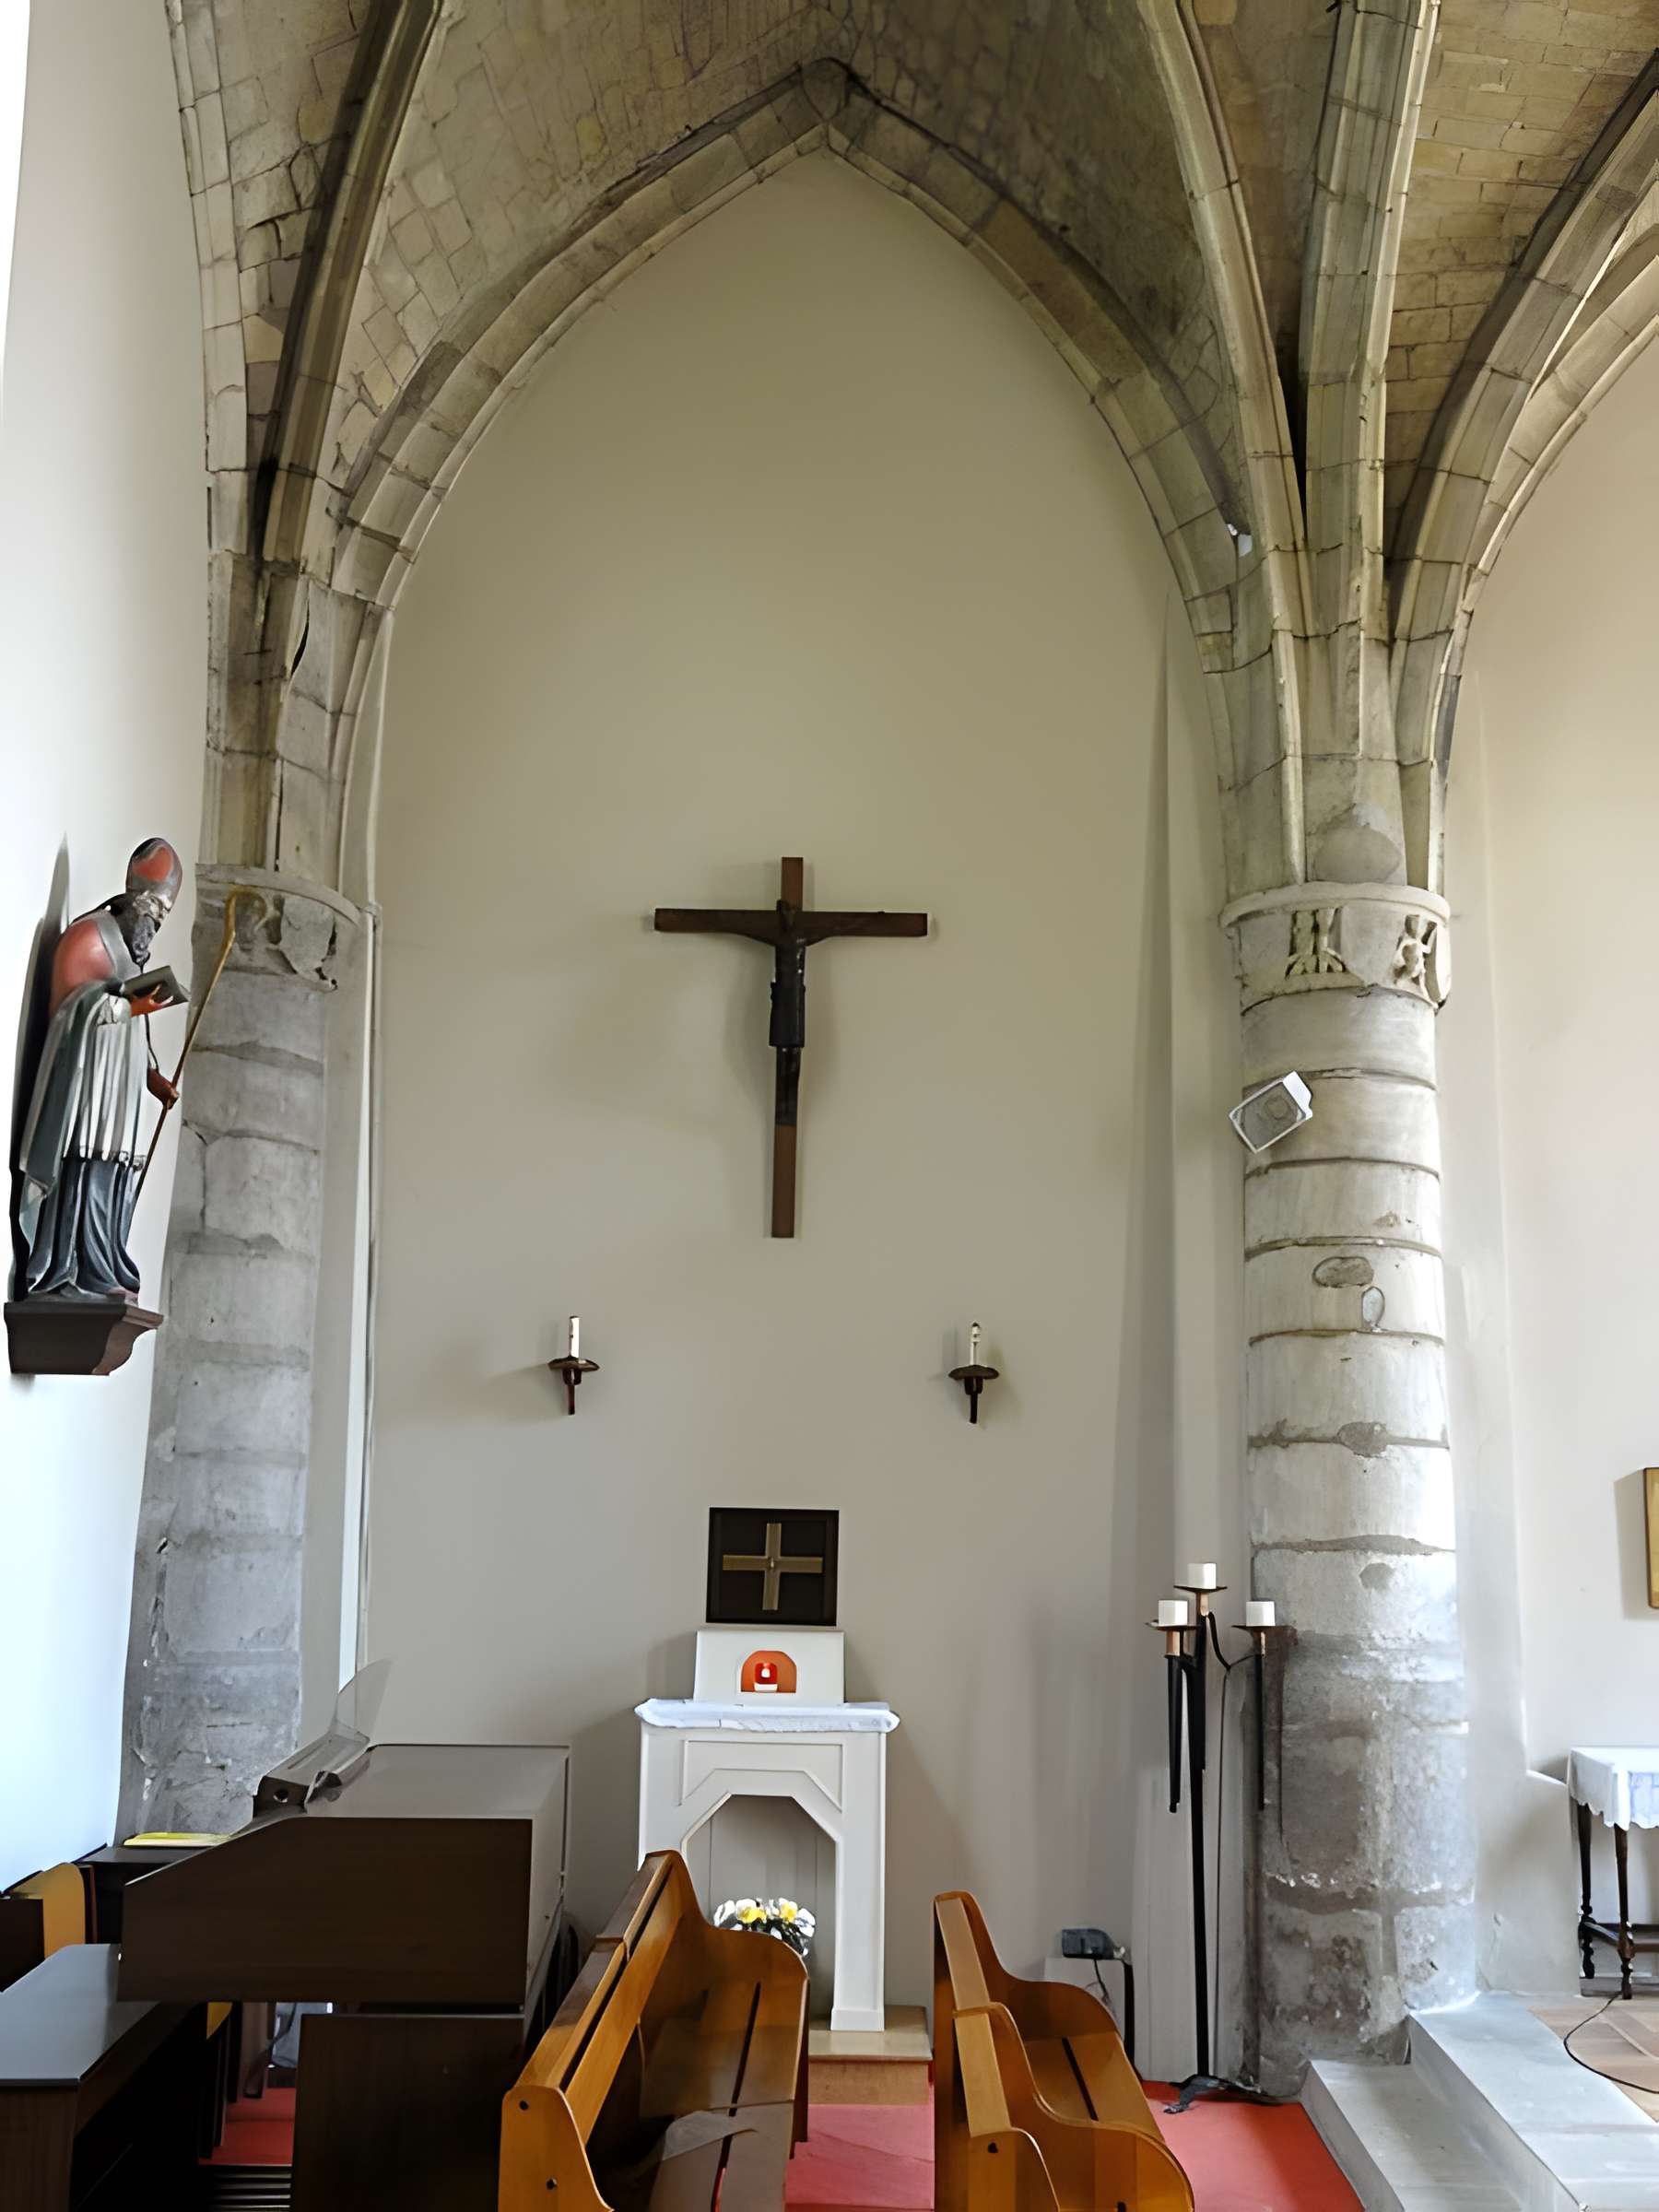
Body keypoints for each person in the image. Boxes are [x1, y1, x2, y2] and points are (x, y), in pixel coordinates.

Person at [15, 839, 186, 1300]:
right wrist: (129, 1006)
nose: (154, 924)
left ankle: (103, 1263)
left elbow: (135, 1039)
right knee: (84, 1174)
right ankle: (71, 1269)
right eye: (152, 910)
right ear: (131, 898)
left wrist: (153, 1080)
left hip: (119, 1104)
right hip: (86, 1101)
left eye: (162, 915)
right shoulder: (88, 937)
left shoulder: (133, 957)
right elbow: (68, 1015)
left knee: (112, 1178)